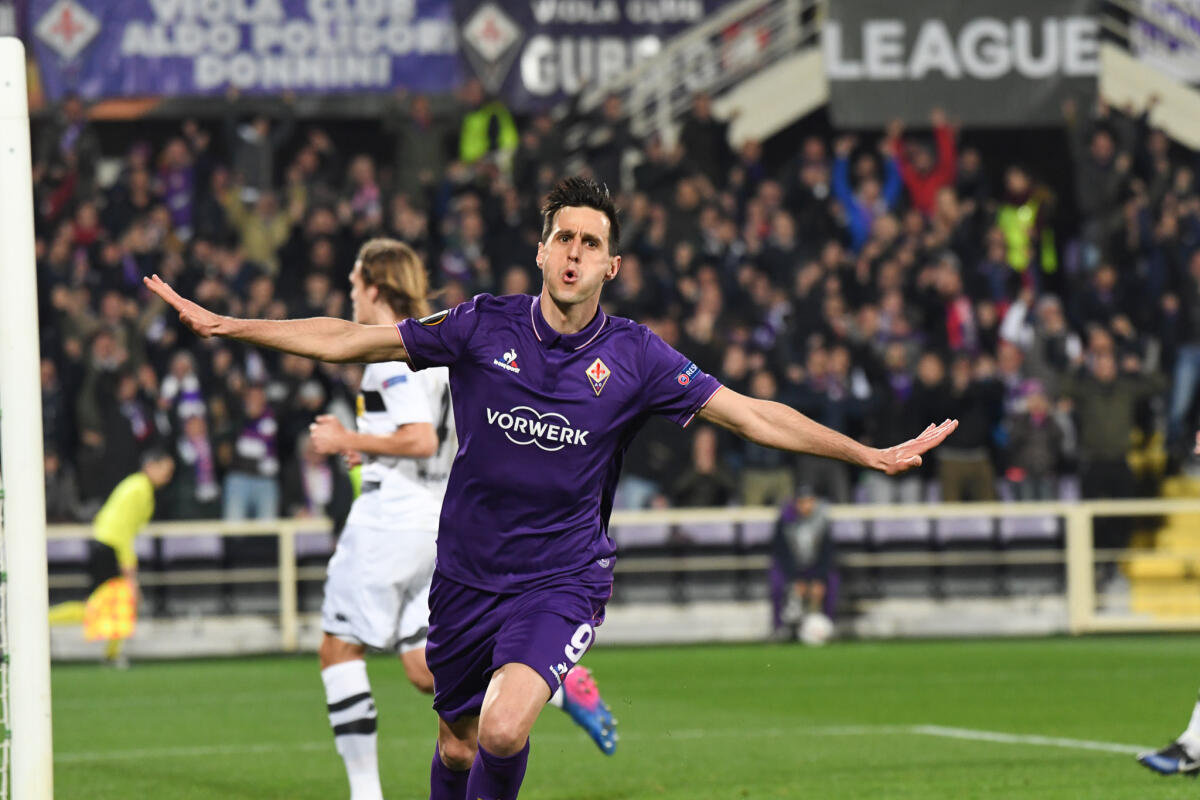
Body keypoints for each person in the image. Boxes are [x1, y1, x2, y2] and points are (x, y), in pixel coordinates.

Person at [145, 176, 957, 800]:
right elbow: (351, 338)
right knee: (458, 743)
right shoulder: (481, 325)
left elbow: (752, 416)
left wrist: (871, 455)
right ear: (541, 250)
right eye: (561, 236)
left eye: (589, 241)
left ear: (611, 263)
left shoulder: (638, 357)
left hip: (560, 579)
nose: (572, 252)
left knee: (502, 731)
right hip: (464, 573)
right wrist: (230, 325)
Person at [306, 238, 617, 800]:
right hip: (440, 526)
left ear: (373, 286)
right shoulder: (441, 349)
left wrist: (346, 437)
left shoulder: (394, 360)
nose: (350, 292)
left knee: (338, 647)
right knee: (427, 670)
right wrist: (373, 447)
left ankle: (364, 794)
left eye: (355, 282)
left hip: (390, 523)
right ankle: (561, 687)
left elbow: (420, 437)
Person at [48, 450, 175, 666]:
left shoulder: (137, 486)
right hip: (109, 548)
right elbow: (124, 531)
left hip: (105, 545)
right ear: (151, 466)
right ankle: (45, 621)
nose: (168, 475)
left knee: (112, 604)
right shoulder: (139, 490)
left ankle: (111, 654)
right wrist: (130, 573)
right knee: (104, 605)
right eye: (165, 469)